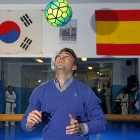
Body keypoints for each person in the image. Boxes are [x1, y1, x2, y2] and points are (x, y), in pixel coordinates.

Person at [21, 48, 107, 140]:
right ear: (54, 67)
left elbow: (102, 123)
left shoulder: (85, 92)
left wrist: (81, 127)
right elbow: (24, 123)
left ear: (74, 67)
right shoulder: (39, 91)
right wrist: (29, 124)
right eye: (59, 56)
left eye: (67, 56)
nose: (61, 57)